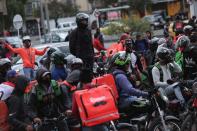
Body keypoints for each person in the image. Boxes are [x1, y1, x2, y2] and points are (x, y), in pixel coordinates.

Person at [112, 51, 149, 115]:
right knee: (146, 103)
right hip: (124, 100)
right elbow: (130, 90)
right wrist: (146, 94)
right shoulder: (120, 76)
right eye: (127, 63)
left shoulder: (118, 73)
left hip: (125, 99)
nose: (128, 66)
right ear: (122, 63)